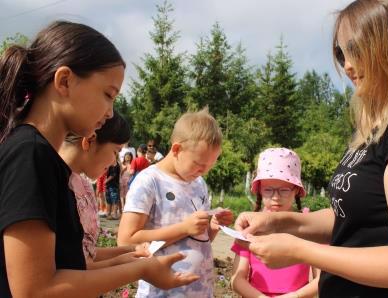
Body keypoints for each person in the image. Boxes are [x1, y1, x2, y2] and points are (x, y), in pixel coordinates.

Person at [234, 1, 388, 297]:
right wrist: (279, 222)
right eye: (341, 53)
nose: (347, 64)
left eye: (357, 49)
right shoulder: (374, 130)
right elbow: (352, 216)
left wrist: (301, 251)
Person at [0, 20, 198, 297]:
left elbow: (66, 266)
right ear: (65, 81)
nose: (109, 113)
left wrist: (123, 261)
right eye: (108, 95)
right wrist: (140, 270)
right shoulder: (30, 154)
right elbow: (34, 289)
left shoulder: (45, 158)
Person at [118, 108, 234, 298]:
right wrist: (184, 228)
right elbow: (126, 240)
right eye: (199, 164)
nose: (203, 172)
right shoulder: (149, 181)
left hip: (201, 291)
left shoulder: (198, 183)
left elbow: (197, 239)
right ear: (177, 149)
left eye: (209, 167)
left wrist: (212, 226)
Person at [59, 110, 149, 269]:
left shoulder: (83, 185)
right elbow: (62, 268)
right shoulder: (49, 182)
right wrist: (122, 264)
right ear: (90, 141)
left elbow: (86, 253)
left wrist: (131, 250)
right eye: (116, 152)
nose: (115, 163)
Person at [231, 148, 319, 298]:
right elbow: (237, 279)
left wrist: (295, 296)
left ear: (296, 190)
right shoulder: (249, 228)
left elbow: (320, 279)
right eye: (268, 190)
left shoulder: (310, 227)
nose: (276, 197)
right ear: (259, 190)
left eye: (284, 190)